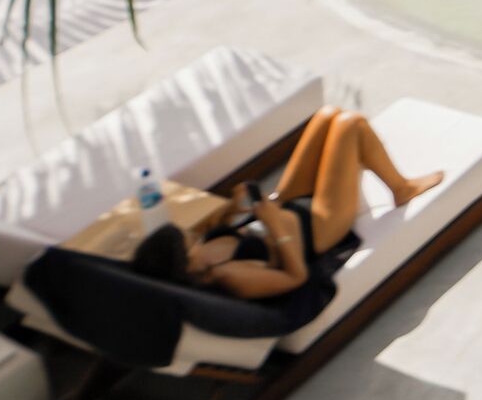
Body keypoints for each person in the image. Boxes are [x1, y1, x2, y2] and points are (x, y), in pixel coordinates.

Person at [132, 107, 443, 303]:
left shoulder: (200, 256)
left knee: (327, 116)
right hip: (318, 228)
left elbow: (228, 232)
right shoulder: (230, 276)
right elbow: (296, 278)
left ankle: (391, 181)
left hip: (280, 209)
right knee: (352, 124)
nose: (192, 236)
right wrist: (276, 226)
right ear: (183, 262)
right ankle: (401, 188)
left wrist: (234, 209)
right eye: (187, 240)